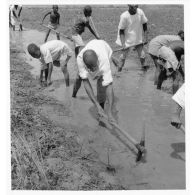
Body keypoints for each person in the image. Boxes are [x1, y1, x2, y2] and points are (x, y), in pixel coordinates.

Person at [76, 39, 116, 122]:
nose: (93, 70)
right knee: (80, 77)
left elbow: (109, 85)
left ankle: (106, 109)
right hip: (91, 48)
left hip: (104, 47)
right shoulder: (80, 59)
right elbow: (86, 83)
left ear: (98, 60)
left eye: (94, 67)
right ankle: (99, 107)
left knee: (102, 83)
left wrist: (110, 112)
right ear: (85, 64)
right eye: (90, 68)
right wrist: (96, 105)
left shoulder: (103, 59)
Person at [71, 5, 101, 98]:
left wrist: (96, 36)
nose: (91, 13)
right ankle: (81, 63)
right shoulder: (86, 19)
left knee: (78, 50)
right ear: (88, 13)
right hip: (76, 35)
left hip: (75, 34)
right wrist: (97, 36)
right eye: (90, 12)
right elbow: (90, 28)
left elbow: (81, 24)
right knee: (83, 50)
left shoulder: (84, 17)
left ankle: (77, 61)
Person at [115, 4, 148, 71]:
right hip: (126, 39)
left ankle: (144, 71)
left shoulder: (140, 12)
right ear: (129, 6)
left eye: (136, 6)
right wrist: (123, 44)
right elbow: (121, 31)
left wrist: (145, 37)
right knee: (122, 57)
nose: (135, 9)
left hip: (138, 39)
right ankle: (118, 72)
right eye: (133, 7)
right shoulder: (124, 16)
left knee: (142, 55)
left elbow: (145, 24)